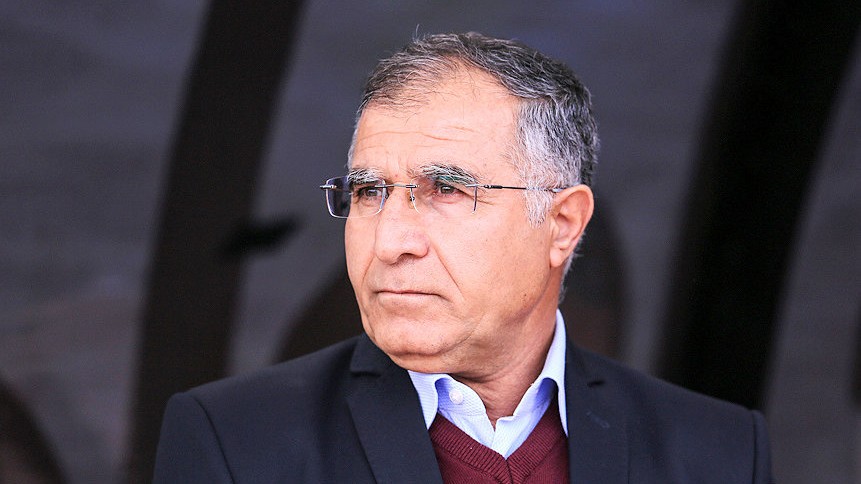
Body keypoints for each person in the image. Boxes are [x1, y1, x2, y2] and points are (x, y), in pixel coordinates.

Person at [153, 32, 773, 483]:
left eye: (446, 189)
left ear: (562, 225)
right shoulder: (235, 442)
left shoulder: (718, 453)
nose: (390, 241)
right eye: (367, 191)